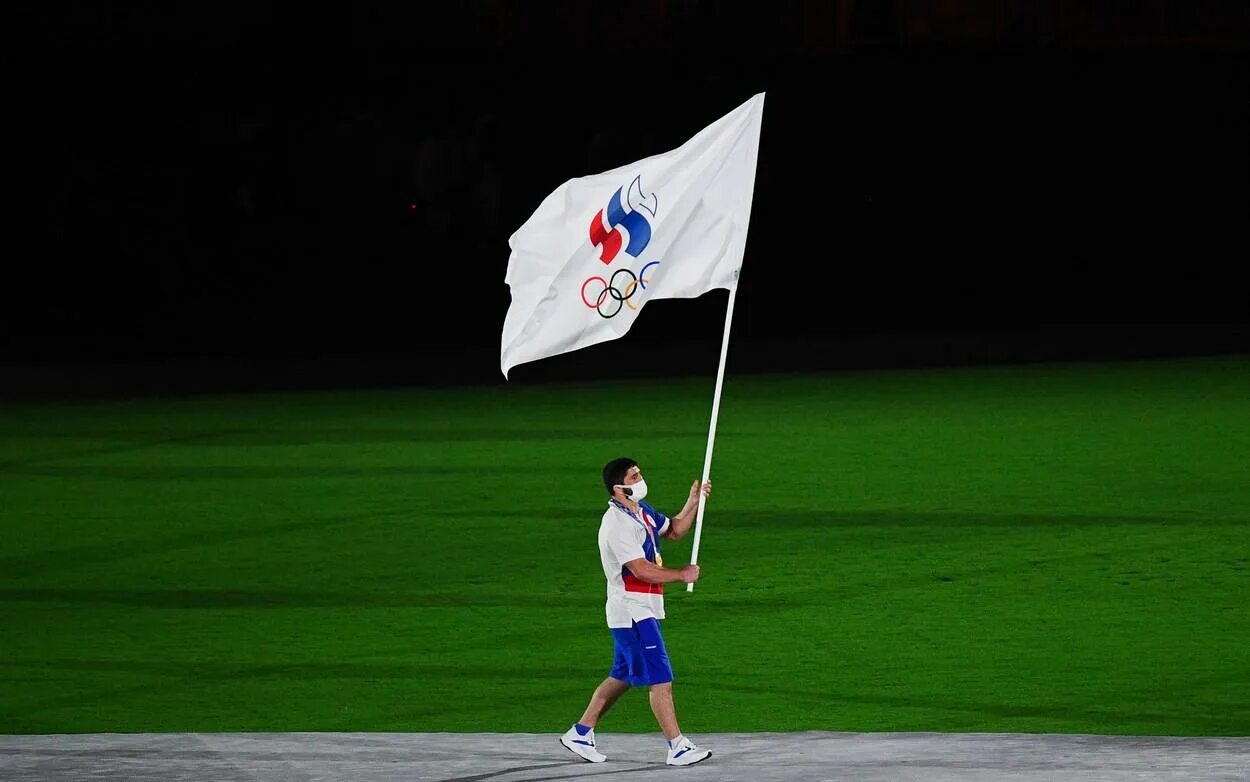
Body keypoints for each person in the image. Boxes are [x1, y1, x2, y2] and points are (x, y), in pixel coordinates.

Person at [559, 457, 713, 767]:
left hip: (641, 607)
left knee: (623, 674)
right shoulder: (615, 524)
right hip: (631, 609)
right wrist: (682, 574)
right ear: (619, 488)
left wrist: (694, 502)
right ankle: (678, 746)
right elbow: (641, 570)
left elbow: (676, 531)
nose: (641, 479)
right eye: (634, 475)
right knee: (660, 677)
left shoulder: (641, 512)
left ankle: (580, 732)